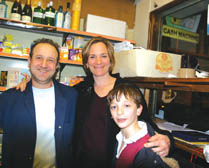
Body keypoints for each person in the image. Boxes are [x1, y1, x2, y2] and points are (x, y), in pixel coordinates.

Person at [16, 36, 173, 168]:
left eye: (103, 56)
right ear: (86, 62)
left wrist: (167, 139)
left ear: (110, 60)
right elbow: (50, 91)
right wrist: (30, 85)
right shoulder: (78, 91)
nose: (98, 61)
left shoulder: (127, 90)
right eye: (92, 56)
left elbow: (146, 123)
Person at [0, 38, 78, 168]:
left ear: (57, 65)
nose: (44, 64)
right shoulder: (10, 98)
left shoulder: (71, 96)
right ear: (29, 61)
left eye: (50, 60)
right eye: (39, 58)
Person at [107, 83, 179, 168]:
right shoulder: (120, 137)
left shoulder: (145, 149)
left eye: (126, 105)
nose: (119, 112)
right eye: (114, 107)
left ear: (138, 110)